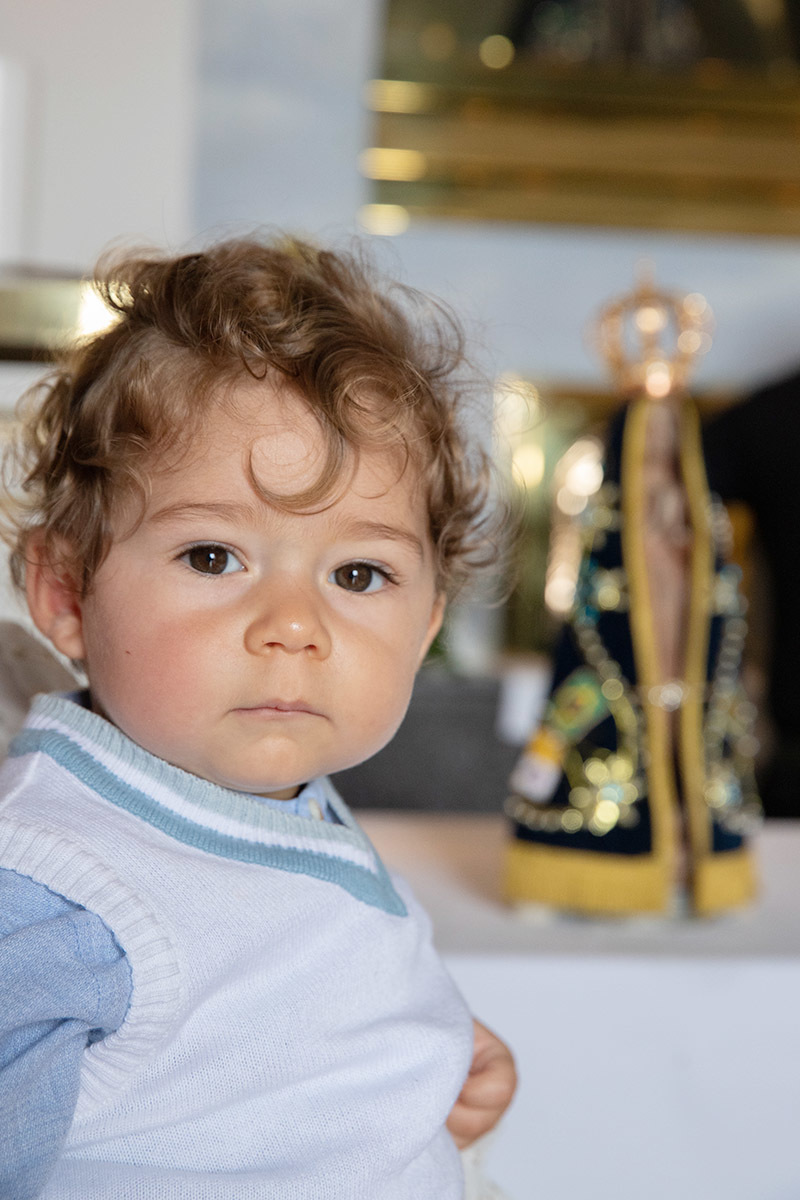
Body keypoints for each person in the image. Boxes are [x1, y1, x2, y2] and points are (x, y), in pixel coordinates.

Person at [0, 236, 516, 1198]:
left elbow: (257, 999)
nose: (293, 627)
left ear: (428, 623)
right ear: (68, 592)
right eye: (212, 557)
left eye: (358, 575)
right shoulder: (54, 895)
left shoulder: (262, 800)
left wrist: (418, 1049)